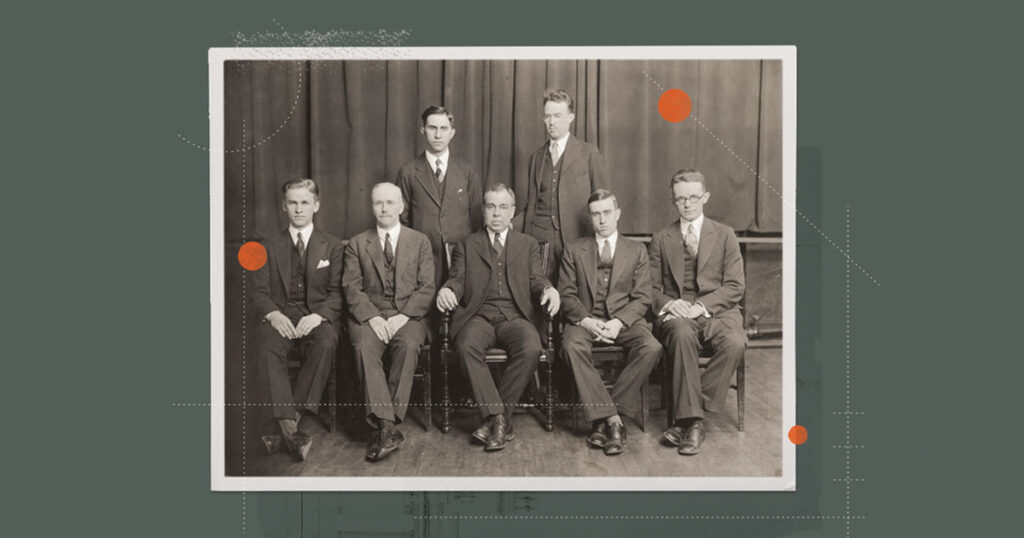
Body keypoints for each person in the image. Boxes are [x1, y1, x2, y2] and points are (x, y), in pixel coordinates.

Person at [436, 184, 560, 451]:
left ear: (512, 211)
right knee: (466, 347)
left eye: (503, 207)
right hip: (478, 316)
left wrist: (549, 289)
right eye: (491, 207)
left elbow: (536, 279)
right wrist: (447, 290)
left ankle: (493, 419)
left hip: (515, 317)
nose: (496, 213)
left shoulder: (527, 244)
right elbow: (457, 279)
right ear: (483, 210)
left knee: (531, 347)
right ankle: (500, 420)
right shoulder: (467, 245)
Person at [648, 169, 747, 455]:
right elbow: (648, 290)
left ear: (705, 197)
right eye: (681, 198)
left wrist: (701, 307)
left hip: (717, 312)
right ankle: (694, 424)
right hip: (678, 316)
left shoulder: (725, 235)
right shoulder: (661, 238)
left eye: (693, 197)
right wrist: (670, 304)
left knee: (736, 342)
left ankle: (690, 415)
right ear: (673, 200)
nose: (687, 204)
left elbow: (735, 286)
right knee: (681, 334)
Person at [558, 189, 661, 455]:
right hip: (586, 321)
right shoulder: (574, 249)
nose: (602, 219)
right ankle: (614, 420)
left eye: (607, 212)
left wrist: (619, 322)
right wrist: (586, 320)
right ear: (590, 217)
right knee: (570, 347)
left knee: (651, 347)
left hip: (623, 322)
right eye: (596, 214)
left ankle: (603, 419)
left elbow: (643, 297)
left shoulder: (637, 250)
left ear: (617, 214)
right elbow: (566, 294)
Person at [251, 178, 344, 461]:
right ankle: (293, 433)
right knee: (266, 346)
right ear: (284, 206)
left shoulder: (333, 245)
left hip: (315, 316)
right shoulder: (266, 245)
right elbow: (257, 292)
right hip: (280, 314)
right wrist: (273, 314)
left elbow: (338, 294)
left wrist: (318, 316)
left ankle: (284, 426)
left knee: (326, 343)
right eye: (293, 203)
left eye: (305, 202)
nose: (299, 209)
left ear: (316, 205)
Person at [342, 182, 435, 462]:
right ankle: (387, 427)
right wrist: (372, 317)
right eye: (378, 203)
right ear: (372, 207)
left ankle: (385, 425)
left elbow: (427, 287)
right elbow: (351, 287)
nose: (384, 208)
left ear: (401, 206)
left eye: (390, 202)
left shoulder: (420, 241)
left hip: (408, 314)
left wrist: (404, 316)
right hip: (369, 315)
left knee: (408, 345)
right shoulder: (358, 243)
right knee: (363, 347)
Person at [515, 88, 610, 283]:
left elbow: (602, 201)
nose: (551, 122)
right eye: (547, 116)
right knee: (542, 294)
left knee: (575, 293)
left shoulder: (588, 153)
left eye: (557, 116)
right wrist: (508, 225)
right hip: (540, 242)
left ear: (571, 117)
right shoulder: (536, 157)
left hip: (577, 240)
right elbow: (531, 206)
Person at [394, 105, 482, 289]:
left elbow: (477, 219)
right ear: (423, 131)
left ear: (452, 133)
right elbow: (402, 220)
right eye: (432, 128)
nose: (438, 135)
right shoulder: (408, 172)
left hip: (460, 259)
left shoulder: (467, 171)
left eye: (443, 128)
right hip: (422, 259)